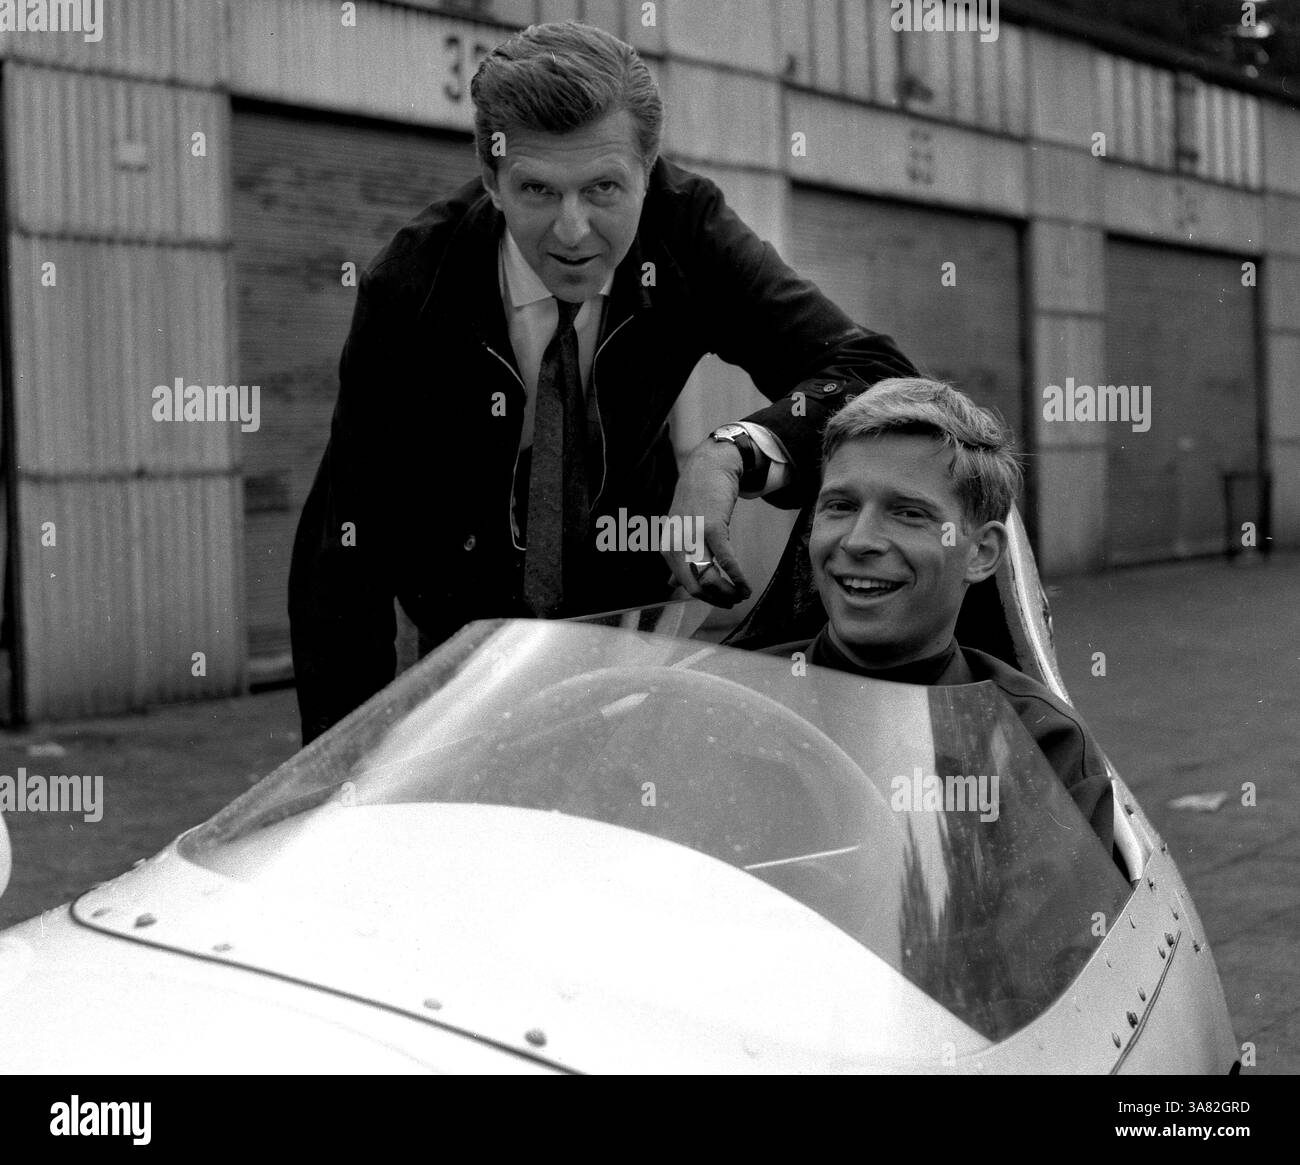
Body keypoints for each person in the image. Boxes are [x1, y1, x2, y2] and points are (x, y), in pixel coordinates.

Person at [288, 19, 916, 743]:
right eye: (536, 189)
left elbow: (870, 371)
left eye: (604, 188)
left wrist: (733, 451)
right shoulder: (410, 286)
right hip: (467, 670)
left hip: (635, 649)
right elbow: (345, 548)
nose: (573, 230)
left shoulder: (686, 232)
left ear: (650, 168)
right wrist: (342, 776)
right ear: (492, 180)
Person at [746, 378, 1115, 851]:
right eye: (840, 506)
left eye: (908, 514)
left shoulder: (1042, 745)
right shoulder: (731, 697)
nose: (859, 540)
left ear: (981, 553)